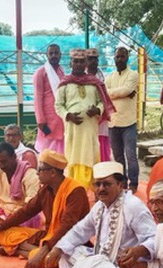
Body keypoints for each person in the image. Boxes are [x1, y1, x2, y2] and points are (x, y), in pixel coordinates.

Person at [45, 161, 156, 268]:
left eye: (107, 184)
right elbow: (80, 231)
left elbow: (155, 238)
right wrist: (58, 248)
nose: (101, 189)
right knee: (66, 253)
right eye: (97, 185)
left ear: (120, 185)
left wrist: (138, 250)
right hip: (100, 261)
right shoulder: (99, 206)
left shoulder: (133, 206)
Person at [0, 150, 90, 268]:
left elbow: (67, 226)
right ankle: (30, 251)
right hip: (49, 236)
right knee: (5, 233)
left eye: (40, 170)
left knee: (57, 259)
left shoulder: (75, 191)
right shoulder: (45, 190)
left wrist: (43, 251)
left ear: (53, 173)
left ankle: (21, 250)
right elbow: (25, 212)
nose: (37, 173)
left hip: (71, 243)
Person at [55, 48, 114, 189]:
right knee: (73, 157)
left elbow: (102, 102)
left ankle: (90, 188)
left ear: (86, 63)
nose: (79, 64)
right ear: (70, 63)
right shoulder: (65, 83)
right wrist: (68, 115)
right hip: (73, 129)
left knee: (91, 155)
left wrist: (97, 110)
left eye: (82, 62)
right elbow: (58, 106)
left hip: (90, 128)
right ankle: (74, 187)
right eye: (76, 61)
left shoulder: (94, 82)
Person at [106, 46, 140, 192]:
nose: (120, 59)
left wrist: (119, 93)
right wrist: (123, 93)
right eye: (117, 57)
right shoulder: (109, 77)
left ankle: (134, 183)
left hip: (128, 122)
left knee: (131, 155)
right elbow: (105, 94)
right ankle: (122, 183)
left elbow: (126, 89)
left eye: (122, 56)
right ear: (114, 58)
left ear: (127, 58)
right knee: (118, 156)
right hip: (113, 123)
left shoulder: (133, 75)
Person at [33, 44, 66, 153]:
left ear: (60, 55)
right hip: (47, 120)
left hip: (60, 118)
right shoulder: (40, 72)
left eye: (56, 53)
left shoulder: (62, 71)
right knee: (47, 153)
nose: (54, 55)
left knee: (61, 153)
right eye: (51, 53)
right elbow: (37, 98)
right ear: (46, 55)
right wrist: (41, 121)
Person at [86, 48, 112, 163]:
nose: (93, 61)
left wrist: (99, 109)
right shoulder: (81, 77)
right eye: (90, 59)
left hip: (101, 115)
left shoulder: (103, 76)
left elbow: (106, 96)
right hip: (86, 117)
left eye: (95, 59)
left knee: (102, 147)